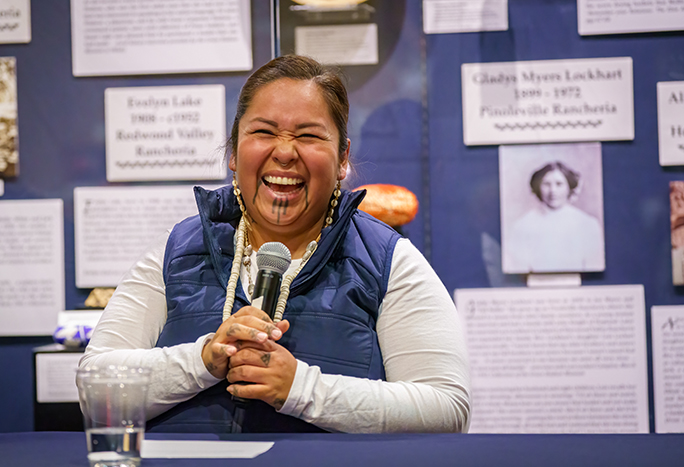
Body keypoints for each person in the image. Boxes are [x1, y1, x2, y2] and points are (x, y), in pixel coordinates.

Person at [79, 55, 471, 434]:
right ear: (234, 151)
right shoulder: (176, 250)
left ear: (342, 158)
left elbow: (446, 408)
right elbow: (94, 388)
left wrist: (301, 389)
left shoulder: (387, 260)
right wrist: (203, 359)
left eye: (308, 135)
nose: (284, 152)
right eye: (264, 132)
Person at [503, 161, 604, 273]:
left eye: (559, 184)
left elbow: (594, 271)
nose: (553, 191)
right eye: (546, 184)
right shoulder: (523, 225)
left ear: (569, 187)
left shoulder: (588, 224)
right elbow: (517, 271)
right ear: (537, 187)